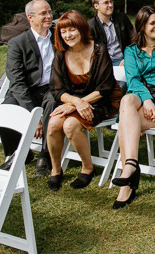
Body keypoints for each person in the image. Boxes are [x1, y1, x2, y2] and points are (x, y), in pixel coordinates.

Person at [111, 6, 155, 209]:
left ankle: (127, 180)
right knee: (126, 101)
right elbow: (133, 79)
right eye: (152, 23)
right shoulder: (131, 50)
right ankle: (132, 165)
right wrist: (147, 99)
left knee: (126, 123)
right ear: (141, 26)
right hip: (142, 96)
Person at [46, 10, 122, 190]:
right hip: (74, 101)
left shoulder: (99, 49)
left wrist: (79, 103)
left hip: (101, 100)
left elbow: (105, 87)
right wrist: (76, 102)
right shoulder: (60, 54)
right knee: (53, 124)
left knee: (70, 125)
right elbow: (56, 89)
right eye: (63, 32)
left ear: (81, 28)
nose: (67, 35)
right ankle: (56, 170)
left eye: (71, 30)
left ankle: (87, 168)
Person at [0, 0, 56, 176]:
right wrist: (33, 115)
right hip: (26, 89)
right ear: (30, 18)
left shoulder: (59, 36)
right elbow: (16, 81)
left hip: (51, 88)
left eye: (49, 12)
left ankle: (45, 155)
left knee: (52, 103)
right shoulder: (18, 43)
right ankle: (16, 153)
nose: (49, 16)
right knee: (5, 110)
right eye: (43, 14)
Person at [88, 0, 135, 66]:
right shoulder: (91, 26)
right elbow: (90, 52)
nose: (110, 5)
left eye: (111, 2)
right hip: (103, 64)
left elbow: (133, 39)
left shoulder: (122, 18)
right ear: (96, 6)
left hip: (124, 60)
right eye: (106, 3)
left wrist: (129, 58)